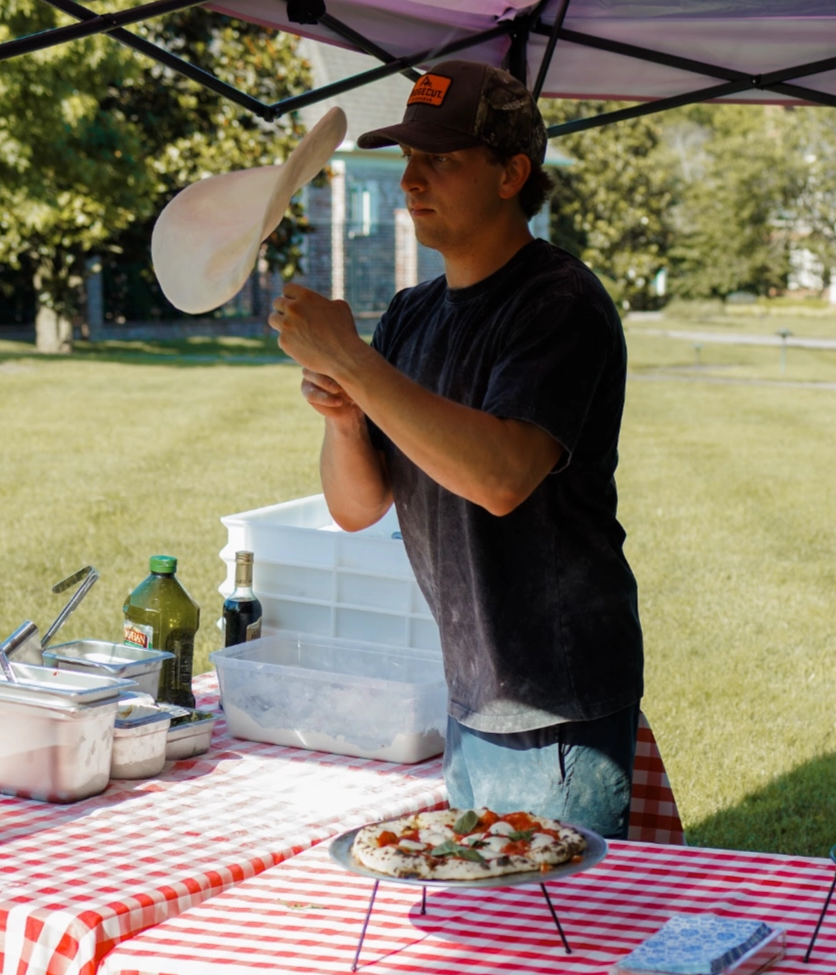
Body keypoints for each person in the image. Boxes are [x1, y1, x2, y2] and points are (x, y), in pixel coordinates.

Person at [268, 59, 643, 835]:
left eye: (439, 160)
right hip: (472, 691)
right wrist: (344, 415)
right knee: (493, 937)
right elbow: (357, 506)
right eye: (406, 159)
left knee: (549, 944)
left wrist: (354, 364)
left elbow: (502, 476)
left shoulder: (558, 302)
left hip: (553, 701)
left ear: (512, 174)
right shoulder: (411, 315)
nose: (410, 182)